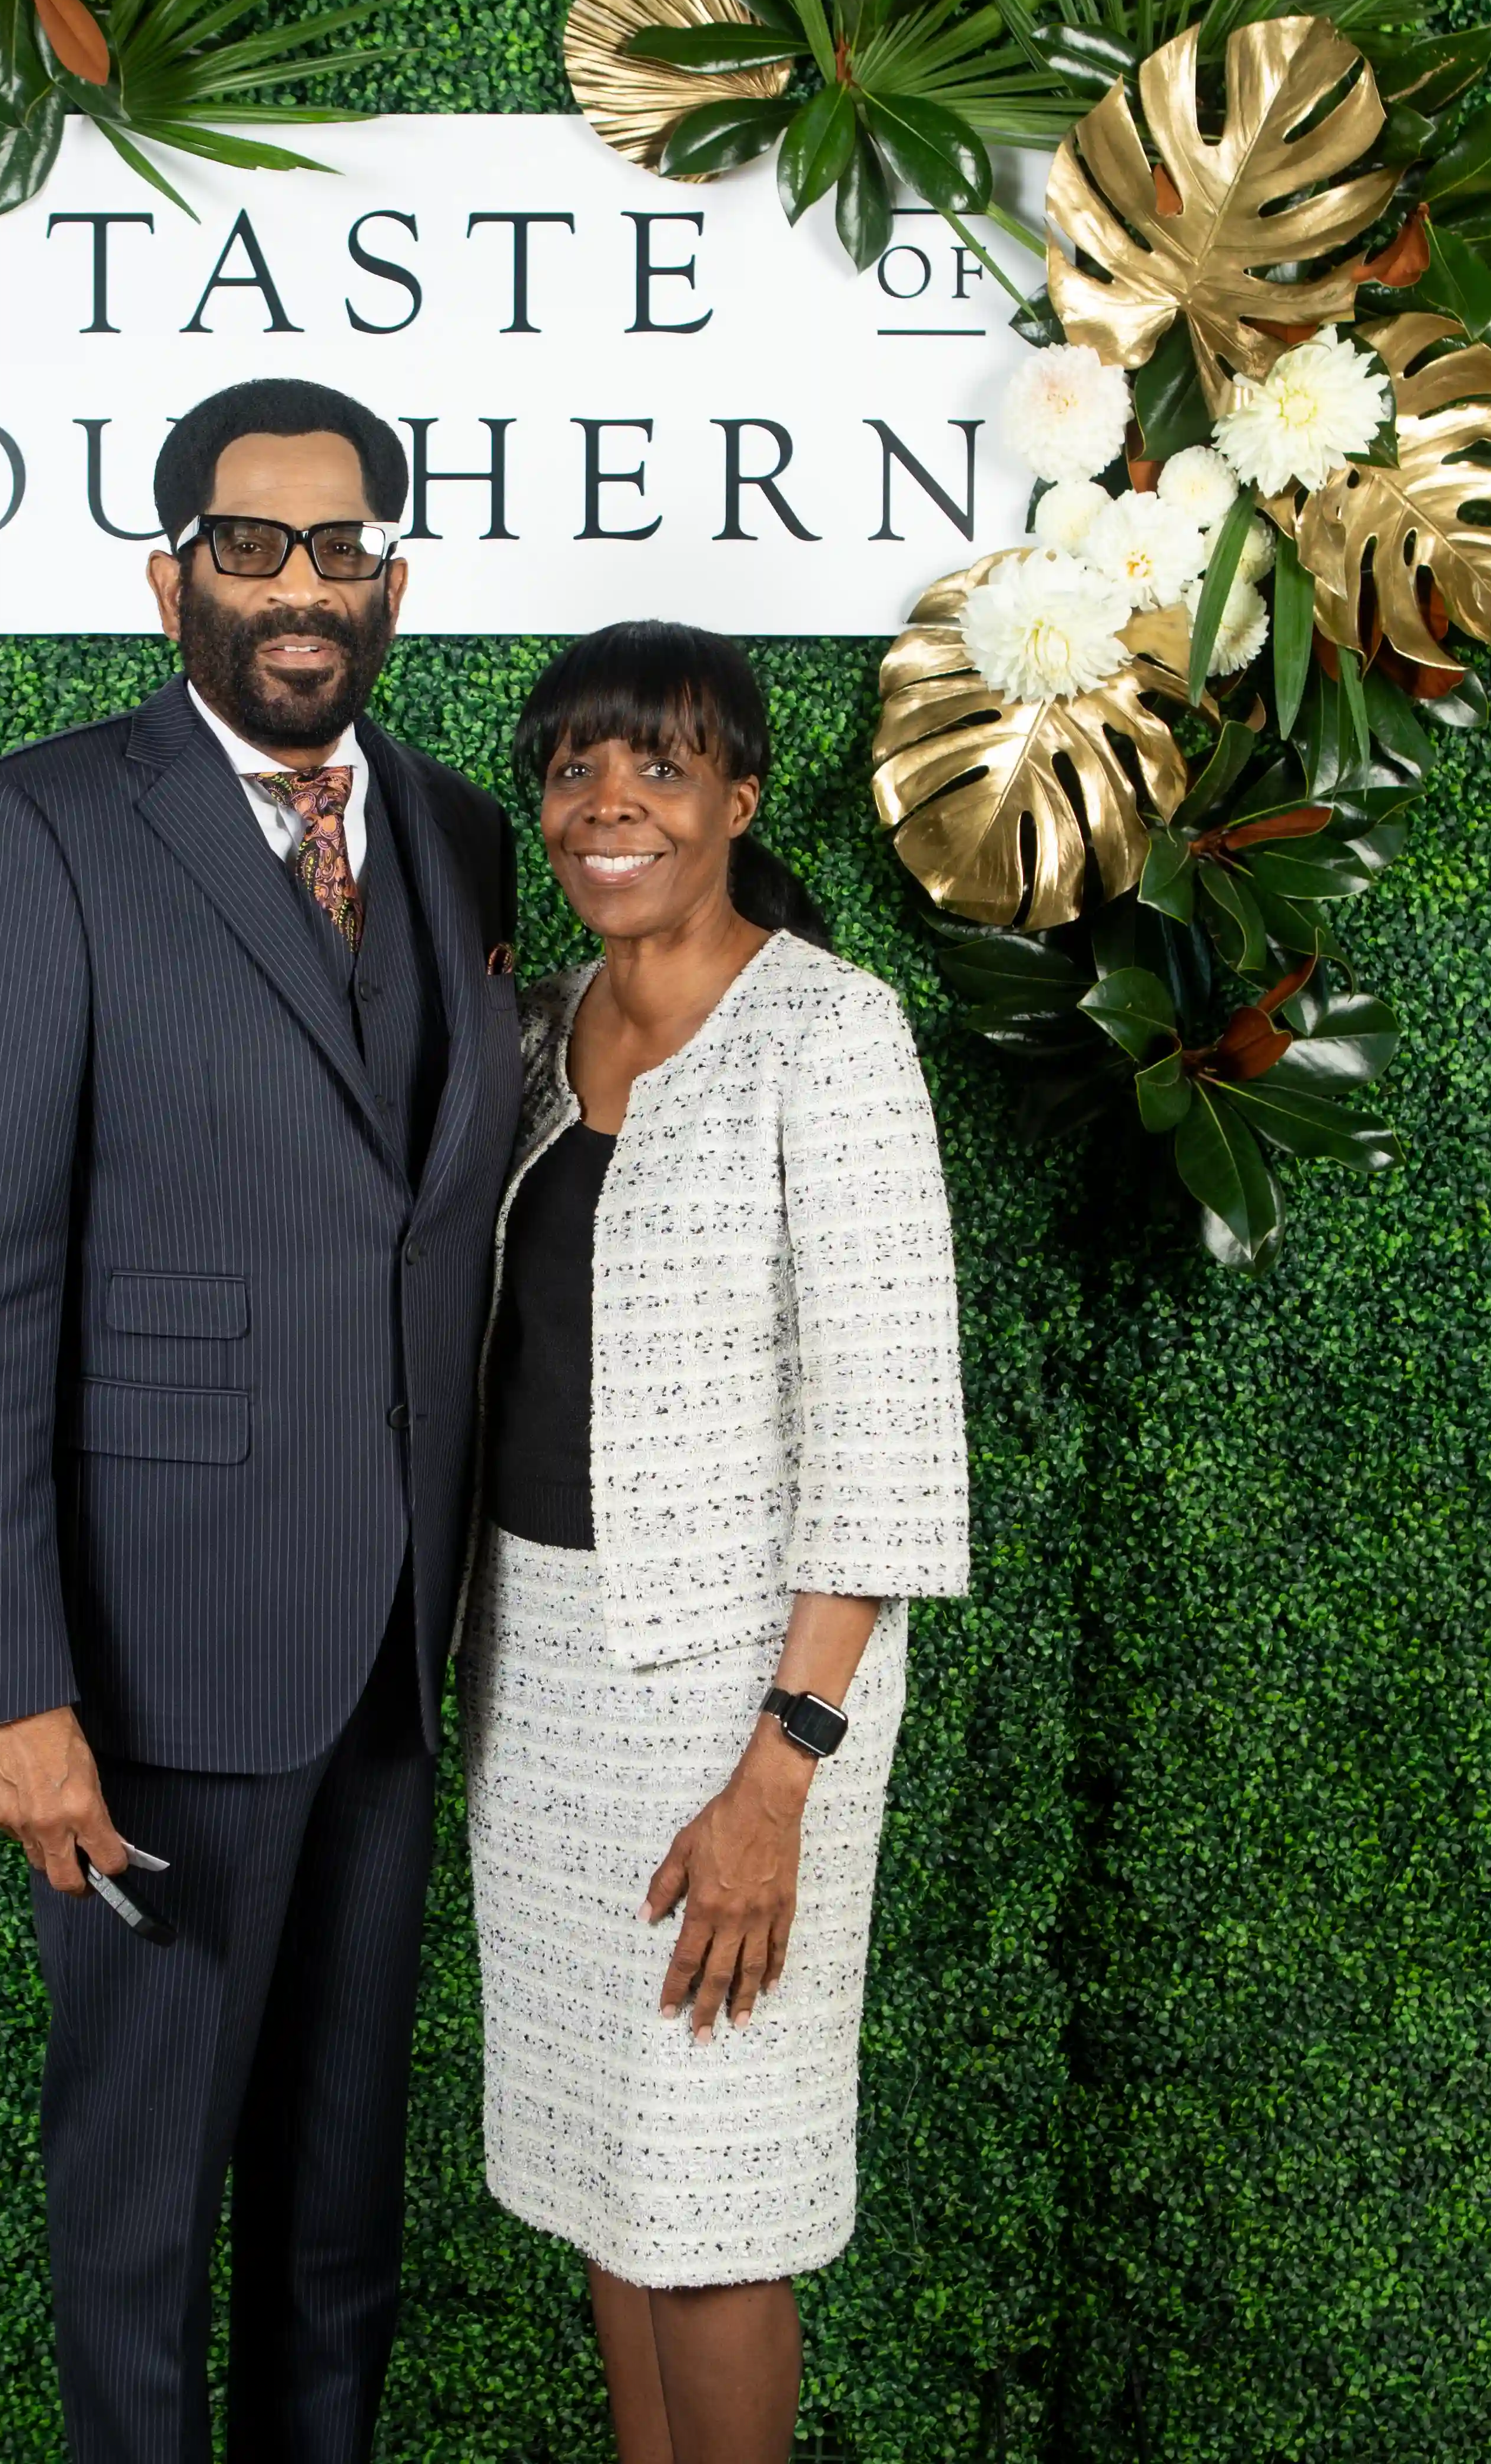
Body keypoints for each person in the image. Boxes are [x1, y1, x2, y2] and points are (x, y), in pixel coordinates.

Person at [0, 378, 526, 2464]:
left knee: (340, 2237)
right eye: (253, 547)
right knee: (143, 2231)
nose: (302, 589)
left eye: (343, 549)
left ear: (395, 581)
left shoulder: (449, 829)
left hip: (390, 1674)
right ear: (172, 576)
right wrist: (12, 1687)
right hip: (152, 1675)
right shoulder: (41, 830)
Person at [464, 622, 970, 2464]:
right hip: (541, 1669)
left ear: (737, 802)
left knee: (711, 2202)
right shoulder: (533, 1032)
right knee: (616, 2176)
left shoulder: (828, 1032)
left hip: (743, 1696)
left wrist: (784, 1772)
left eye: (660, 768)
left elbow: (892, 1439)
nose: (611, 802)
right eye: (578, 769)